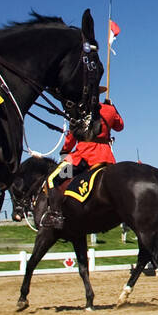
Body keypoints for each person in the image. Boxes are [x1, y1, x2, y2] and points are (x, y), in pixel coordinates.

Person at [40, 95, 124, 230]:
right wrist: (114, 108)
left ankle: (55, 215)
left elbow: (72, 135)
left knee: (52, 179)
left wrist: (64, 151)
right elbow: (120, 126)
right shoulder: (109, 109)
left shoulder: (81, 111)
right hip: (106, 157)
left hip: (83, 156)